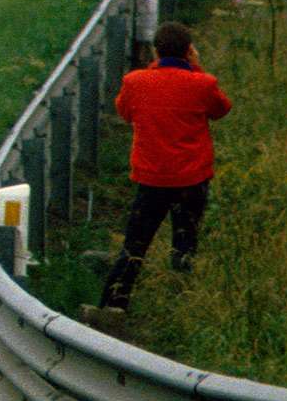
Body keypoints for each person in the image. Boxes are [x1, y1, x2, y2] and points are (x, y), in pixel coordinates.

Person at [96, 21, 232, 313]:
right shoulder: (203, 83)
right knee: (185, 243)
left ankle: (113, 304)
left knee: (135, 244)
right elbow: (221, 110)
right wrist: (195, 68)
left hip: (152, 178)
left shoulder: (135, 82)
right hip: (192, 178)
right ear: (189, 51)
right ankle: (182, 304)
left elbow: (125, 112)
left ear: (155, 51)